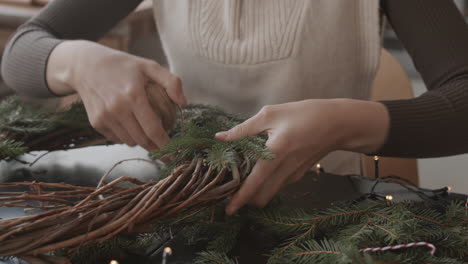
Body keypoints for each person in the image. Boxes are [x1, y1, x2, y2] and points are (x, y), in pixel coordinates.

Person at [2, 0, 468, 215]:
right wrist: (80, 59)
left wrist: (342, 122)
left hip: (318, 216)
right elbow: (22, 50)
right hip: (174, 205)